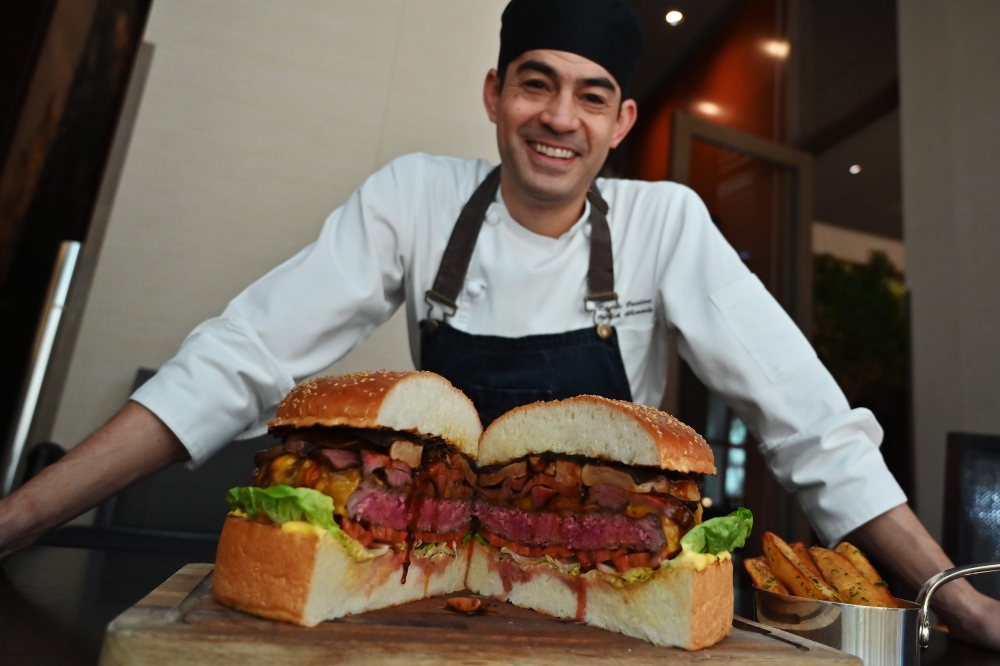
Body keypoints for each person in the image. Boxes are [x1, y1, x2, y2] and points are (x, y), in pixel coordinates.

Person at [1, 0, 998, 648]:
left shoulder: (664, 224)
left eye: (589, 96)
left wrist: (950, 592)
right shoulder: (414, 198)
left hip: (613, 604)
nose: (557, 116)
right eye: (536, 82)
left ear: (618, 121)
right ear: (494, 95)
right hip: (418, 588)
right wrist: (27, 516)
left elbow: (807, 424)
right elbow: (239, 359)